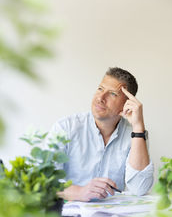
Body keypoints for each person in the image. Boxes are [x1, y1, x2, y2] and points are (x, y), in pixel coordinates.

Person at [51, 67, 154, 202]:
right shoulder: (66, 127)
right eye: (100, 89)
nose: (100, 98)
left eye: (112, 94)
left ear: (126, 104)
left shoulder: (135, 135)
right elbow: (43, 181)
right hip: (69, 215)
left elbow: (140, 188)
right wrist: (79, 192)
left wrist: (138, 127)